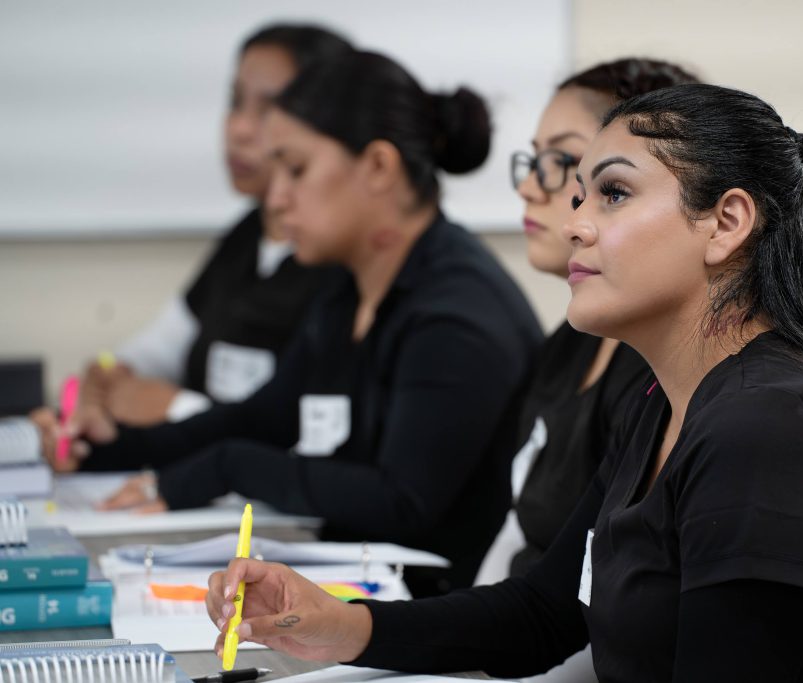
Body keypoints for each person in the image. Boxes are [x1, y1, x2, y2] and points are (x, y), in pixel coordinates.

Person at [204, 83, 803, 681]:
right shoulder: (664, 399)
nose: (578, 221)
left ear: (726, 222)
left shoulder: (773, 428)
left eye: (613, 193)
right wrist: (335, 625)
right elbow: (545, 611)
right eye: (581, 194)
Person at [44, 50, 543, 597]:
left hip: (440, 626)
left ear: (377, 167)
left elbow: (404, 501)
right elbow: (261, 418)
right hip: (357, 589)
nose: (277, 199)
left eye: (296, 169)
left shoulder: (458, 313)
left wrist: (228, 467)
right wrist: (108, 447)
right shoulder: (346, 287)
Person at [39, 24, 352, 432]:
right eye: (235, 102)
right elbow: (162, 345)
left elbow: (306, 432)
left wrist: (178, 407)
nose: (238, 129)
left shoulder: (340, 261)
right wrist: (107, 379)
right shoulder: (244, 237)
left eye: (270, 109)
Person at [498, 58, 699, 579]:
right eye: (535, 160)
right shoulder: (571, 339)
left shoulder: (664, 374)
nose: (530, 188)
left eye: (608, 188)